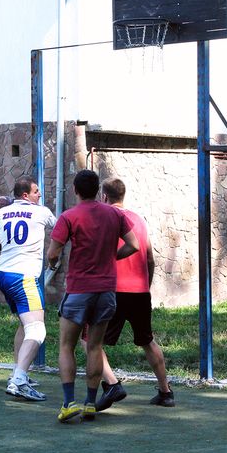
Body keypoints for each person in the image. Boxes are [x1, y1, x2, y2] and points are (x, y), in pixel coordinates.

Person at [47, 169, 139, 423]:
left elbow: (53, 253)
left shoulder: (68, 216)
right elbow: (133, 245)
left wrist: (53, 263)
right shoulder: (115, 214)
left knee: (66, 345)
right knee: (95, 346)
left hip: (79, 289)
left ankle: (69, 403)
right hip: (106, 290)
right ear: (98, 190)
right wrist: (111, 257)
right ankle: (89, 403)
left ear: (75, 190)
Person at [93, 177, 175, 410]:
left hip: (114, 290)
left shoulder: (105, 218)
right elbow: (150, 258)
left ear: (104, 197)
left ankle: (112, 384)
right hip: (140, 291)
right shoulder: (139, 220)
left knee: (90, 341)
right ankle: (166, 392)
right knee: (147, 340)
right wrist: (145, 286)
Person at [0, 175, 57, 402]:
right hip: (24, 278)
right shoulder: (41, 212)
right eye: (36, 191)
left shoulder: (2, 213)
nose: (39, 194)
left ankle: (17, 372)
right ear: (25, 195)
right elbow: (62, 227)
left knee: (25, 326)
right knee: (38, 330)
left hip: (5, 275)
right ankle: (19, 380)